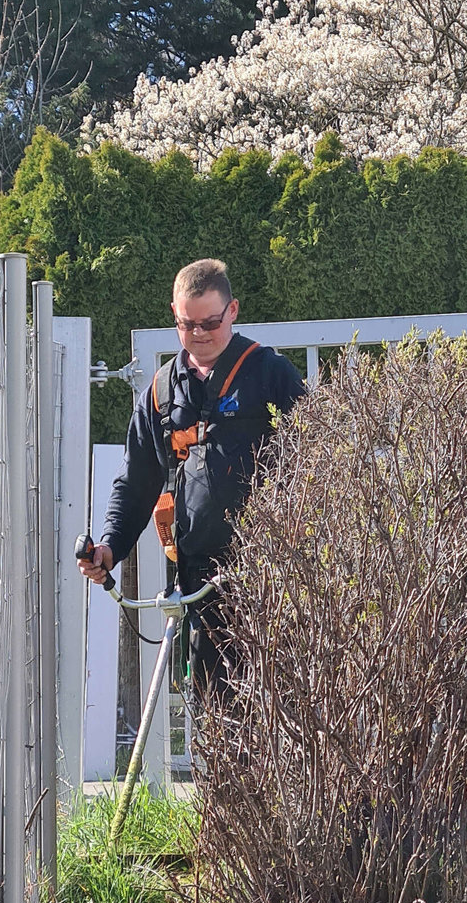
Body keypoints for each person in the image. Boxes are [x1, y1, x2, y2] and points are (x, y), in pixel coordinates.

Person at [78, 257, 305, 702]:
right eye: (187, 325)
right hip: (201, 584)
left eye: (210, 322)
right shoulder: (162, 391)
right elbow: (135, 482)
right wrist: (109, 546)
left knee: (284, 716)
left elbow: (317, 459)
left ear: (233, 311)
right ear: (174, 317)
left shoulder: (271, 375)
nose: (199, 334)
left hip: (275, 576)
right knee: (217, 718)